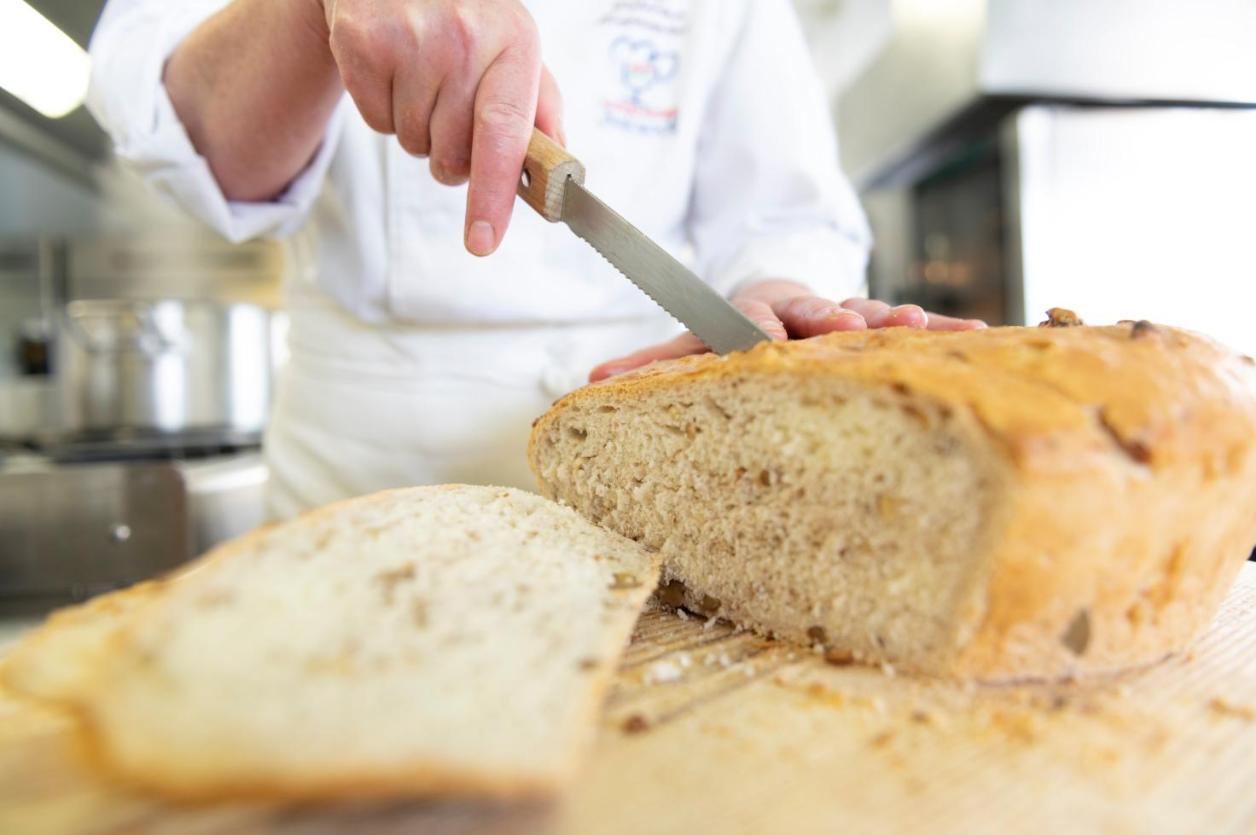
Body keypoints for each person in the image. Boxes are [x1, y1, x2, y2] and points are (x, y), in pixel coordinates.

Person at [88, 0, 983, 519]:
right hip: (359, 486)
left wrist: (783, 297)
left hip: (646, 473)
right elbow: (190, 142)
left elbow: (782, 209)